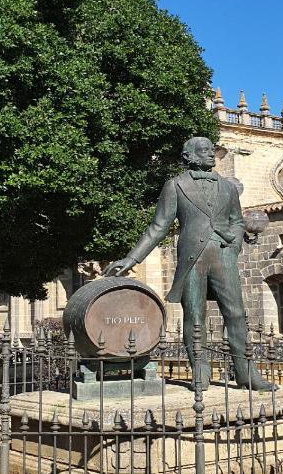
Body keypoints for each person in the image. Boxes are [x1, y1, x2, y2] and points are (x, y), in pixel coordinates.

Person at [105, 136, 273, 391]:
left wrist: (235, 245)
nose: (211, 155)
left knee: (236, 314)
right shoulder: (175, 186)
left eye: (211, 151)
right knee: (195, 316)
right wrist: (131, 258)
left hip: (223, 255)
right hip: (192, 259)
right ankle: (200, 370)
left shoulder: (227, 187)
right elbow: (158, 227)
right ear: (189, 156)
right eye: (204, 151)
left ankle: (246, 371)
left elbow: (238, 221)